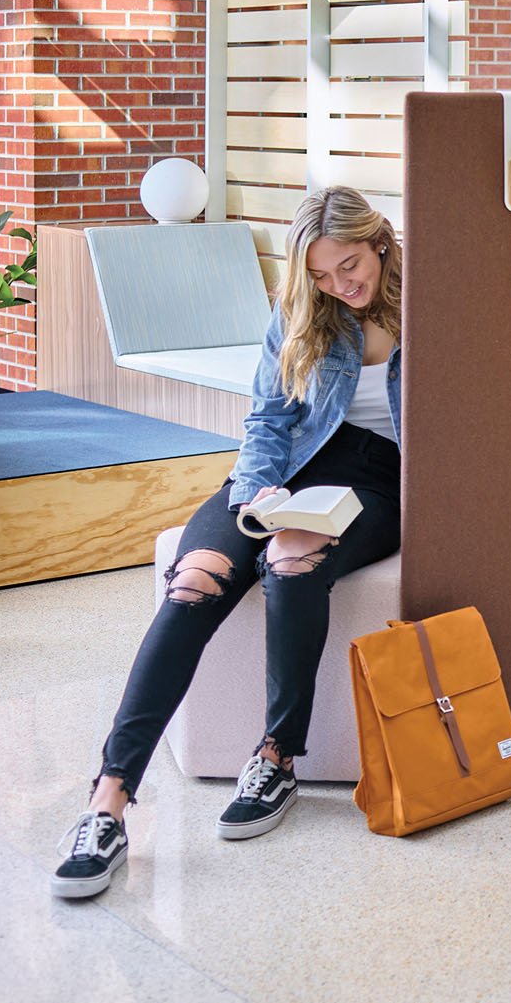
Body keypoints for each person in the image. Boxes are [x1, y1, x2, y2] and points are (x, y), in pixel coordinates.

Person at [51, 186, 405, 899]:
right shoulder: (303, 312)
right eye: (323, 276)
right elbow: (269, 419)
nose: (340, 286)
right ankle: (108, 801)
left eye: (349, 267)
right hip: (285, 473)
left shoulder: (434, 304)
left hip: (377, 480)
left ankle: (276, 757)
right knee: (194, 579)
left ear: (379, 243)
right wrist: (259, 491)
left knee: (292, 558)